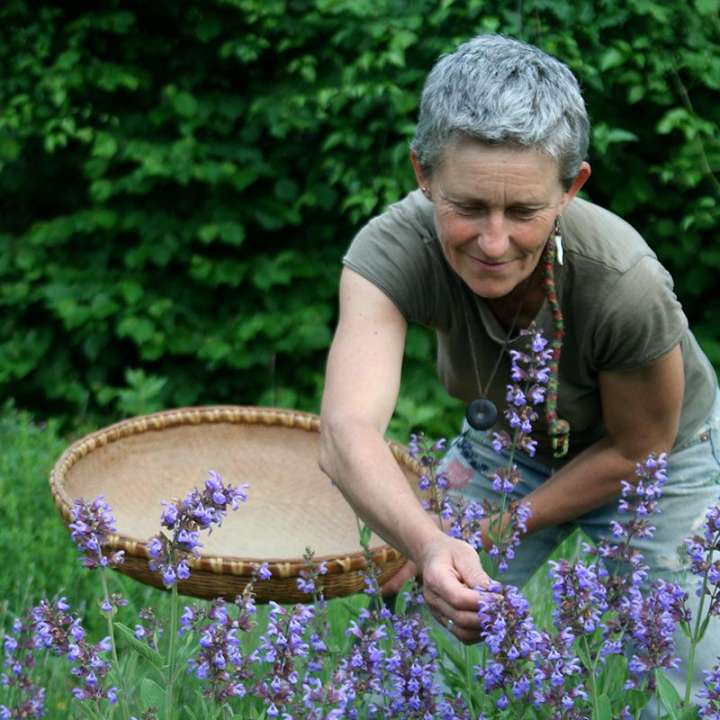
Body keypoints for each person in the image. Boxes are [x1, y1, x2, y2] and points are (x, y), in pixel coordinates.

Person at [318, 33, 720, 706]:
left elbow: (638, 448)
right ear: (424, 173)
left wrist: (492, 528)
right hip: (506, 448)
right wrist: (428, 542)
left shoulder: (625, 280)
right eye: (468, 207)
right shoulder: (390, 250)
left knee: (695, 682)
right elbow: (345, 430)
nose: (494, 242)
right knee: (398, 657)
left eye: (524, 210)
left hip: (659, 466)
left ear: (572, 187)